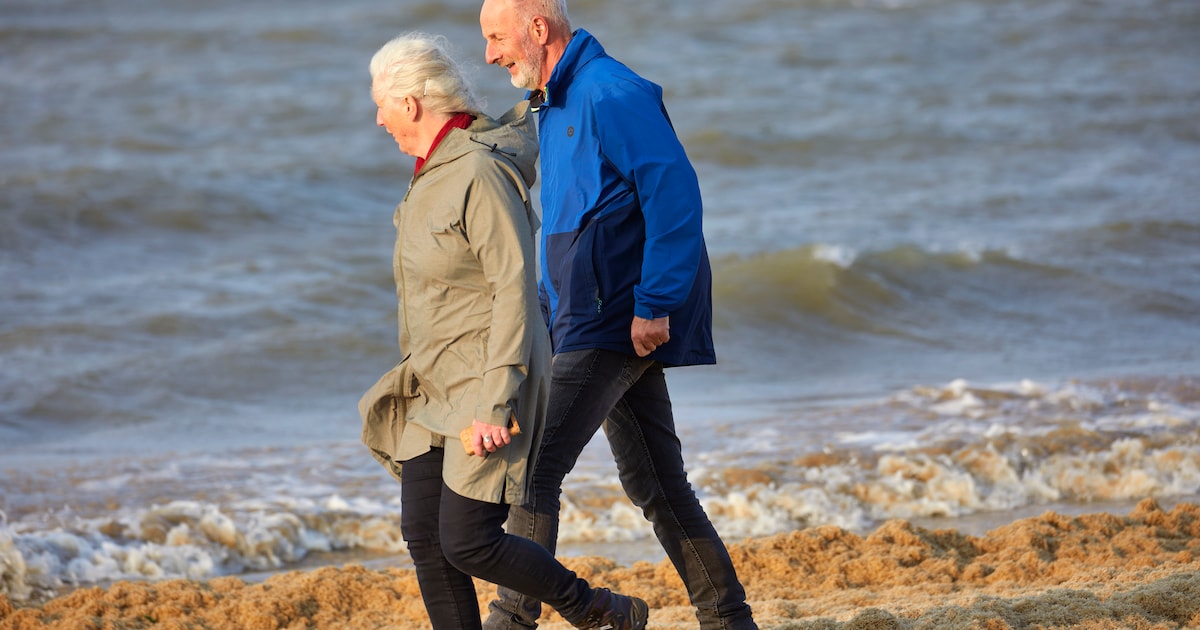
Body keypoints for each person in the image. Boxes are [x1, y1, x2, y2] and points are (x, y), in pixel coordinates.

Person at [477, 2, 759, 629]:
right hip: (585, 319)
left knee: (533, 470)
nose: (492, 54)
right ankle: (728, 620)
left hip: (616, 320)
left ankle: (511, 621)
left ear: (538, 29)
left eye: (498, 38)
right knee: (658, 484)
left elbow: (675, 194)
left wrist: (656, 302)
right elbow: (571, 221)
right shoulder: (554, 102)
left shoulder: (611, 92)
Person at [358, 32, 649, 630]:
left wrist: (496, 401)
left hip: (483, 383)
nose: (377, 118)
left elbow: (514, 289)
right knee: (424, 536)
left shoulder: (479, 173)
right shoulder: (427, 175)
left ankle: (595, 608)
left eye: (380, 103)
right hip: (428, 388)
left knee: (468, 540)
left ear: (410, 104)